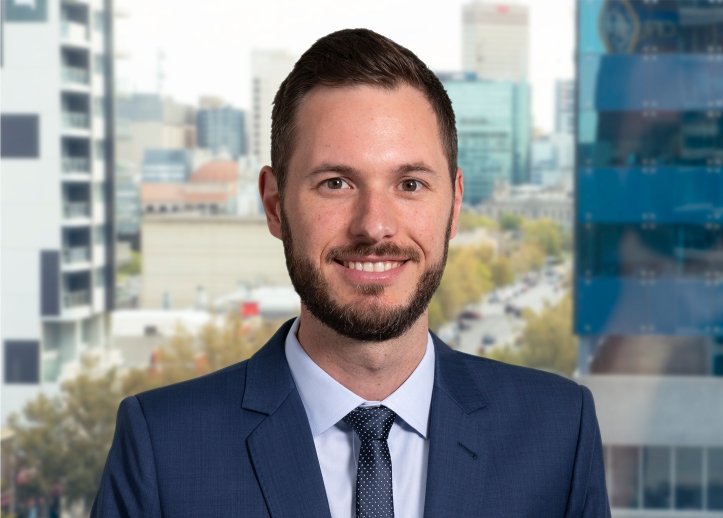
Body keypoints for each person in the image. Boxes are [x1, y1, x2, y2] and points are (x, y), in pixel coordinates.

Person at [91, 29, 610, 518]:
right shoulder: (163, 448)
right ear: (275, 205)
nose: (375, 226)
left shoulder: (560, 432)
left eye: (410, 184)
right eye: (336, 183)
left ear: (453, 206)